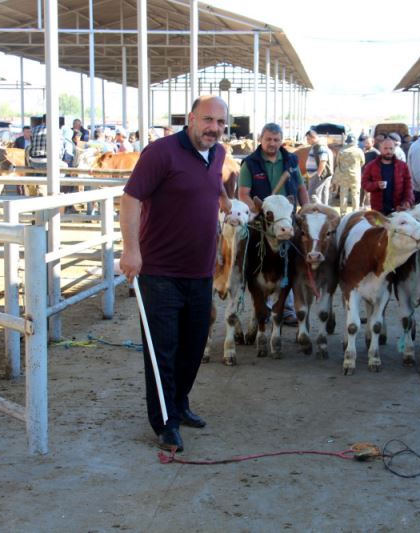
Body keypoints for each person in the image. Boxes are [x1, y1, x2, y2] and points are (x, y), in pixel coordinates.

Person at [120, 95, 232, 452]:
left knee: (193, 345)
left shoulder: (218, 155)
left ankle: (180, 404)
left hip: (201, 270)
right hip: (160, 271)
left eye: (220, 123)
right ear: (191, 119)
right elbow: (131, 198)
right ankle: (165, 422)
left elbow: (213, 188)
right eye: (208, 120)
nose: (213, 128)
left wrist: (227, 204)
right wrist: (131, 249)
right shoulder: (161, 152)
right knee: (162, 349)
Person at [239, 122, 308, 327]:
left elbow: (301, 189)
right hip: (263, 223)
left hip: (287, 220)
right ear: (261, 139)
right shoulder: (250, 163)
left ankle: (285, 308)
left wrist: (306, 210)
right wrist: (258, 211)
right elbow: (243, 194)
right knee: (253, 260)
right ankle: (258, 307)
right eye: (268, 139)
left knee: (291, 260)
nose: (272, 143)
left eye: (276, 140)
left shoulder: (290, 160)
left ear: (281, 140)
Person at [362, 137, 412, 215]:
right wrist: (376, 185)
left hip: (398, 209)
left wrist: (408, 201)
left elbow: (408, 186)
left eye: (391, 148)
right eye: (385, 148)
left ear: (394, 149)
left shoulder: (402, 166)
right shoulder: (371, 166)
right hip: (378, 210)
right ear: (380, 149)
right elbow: (364, 184)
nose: (388, 151)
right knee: (379, 227)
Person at [334, 134, 366, 215]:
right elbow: (363, 162)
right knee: (355, 195)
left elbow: (338, 163)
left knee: (343, 194)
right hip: (355, 176)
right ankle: (355, 213)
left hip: (343, 175)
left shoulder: (341, 151)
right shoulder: (359, 151)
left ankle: (343, 213)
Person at [305, 129, 332, 204]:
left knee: (313, 195)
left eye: (308, 139)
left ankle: (318, 211)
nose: (307, 141)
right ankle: (323, 211)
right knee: (321, 195)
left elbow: (323, 160)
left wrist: (318, 175)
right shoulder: (316, 146)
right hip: (319, 174)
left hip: (317, 175)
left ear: (313, 137)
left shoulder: (319, 146)